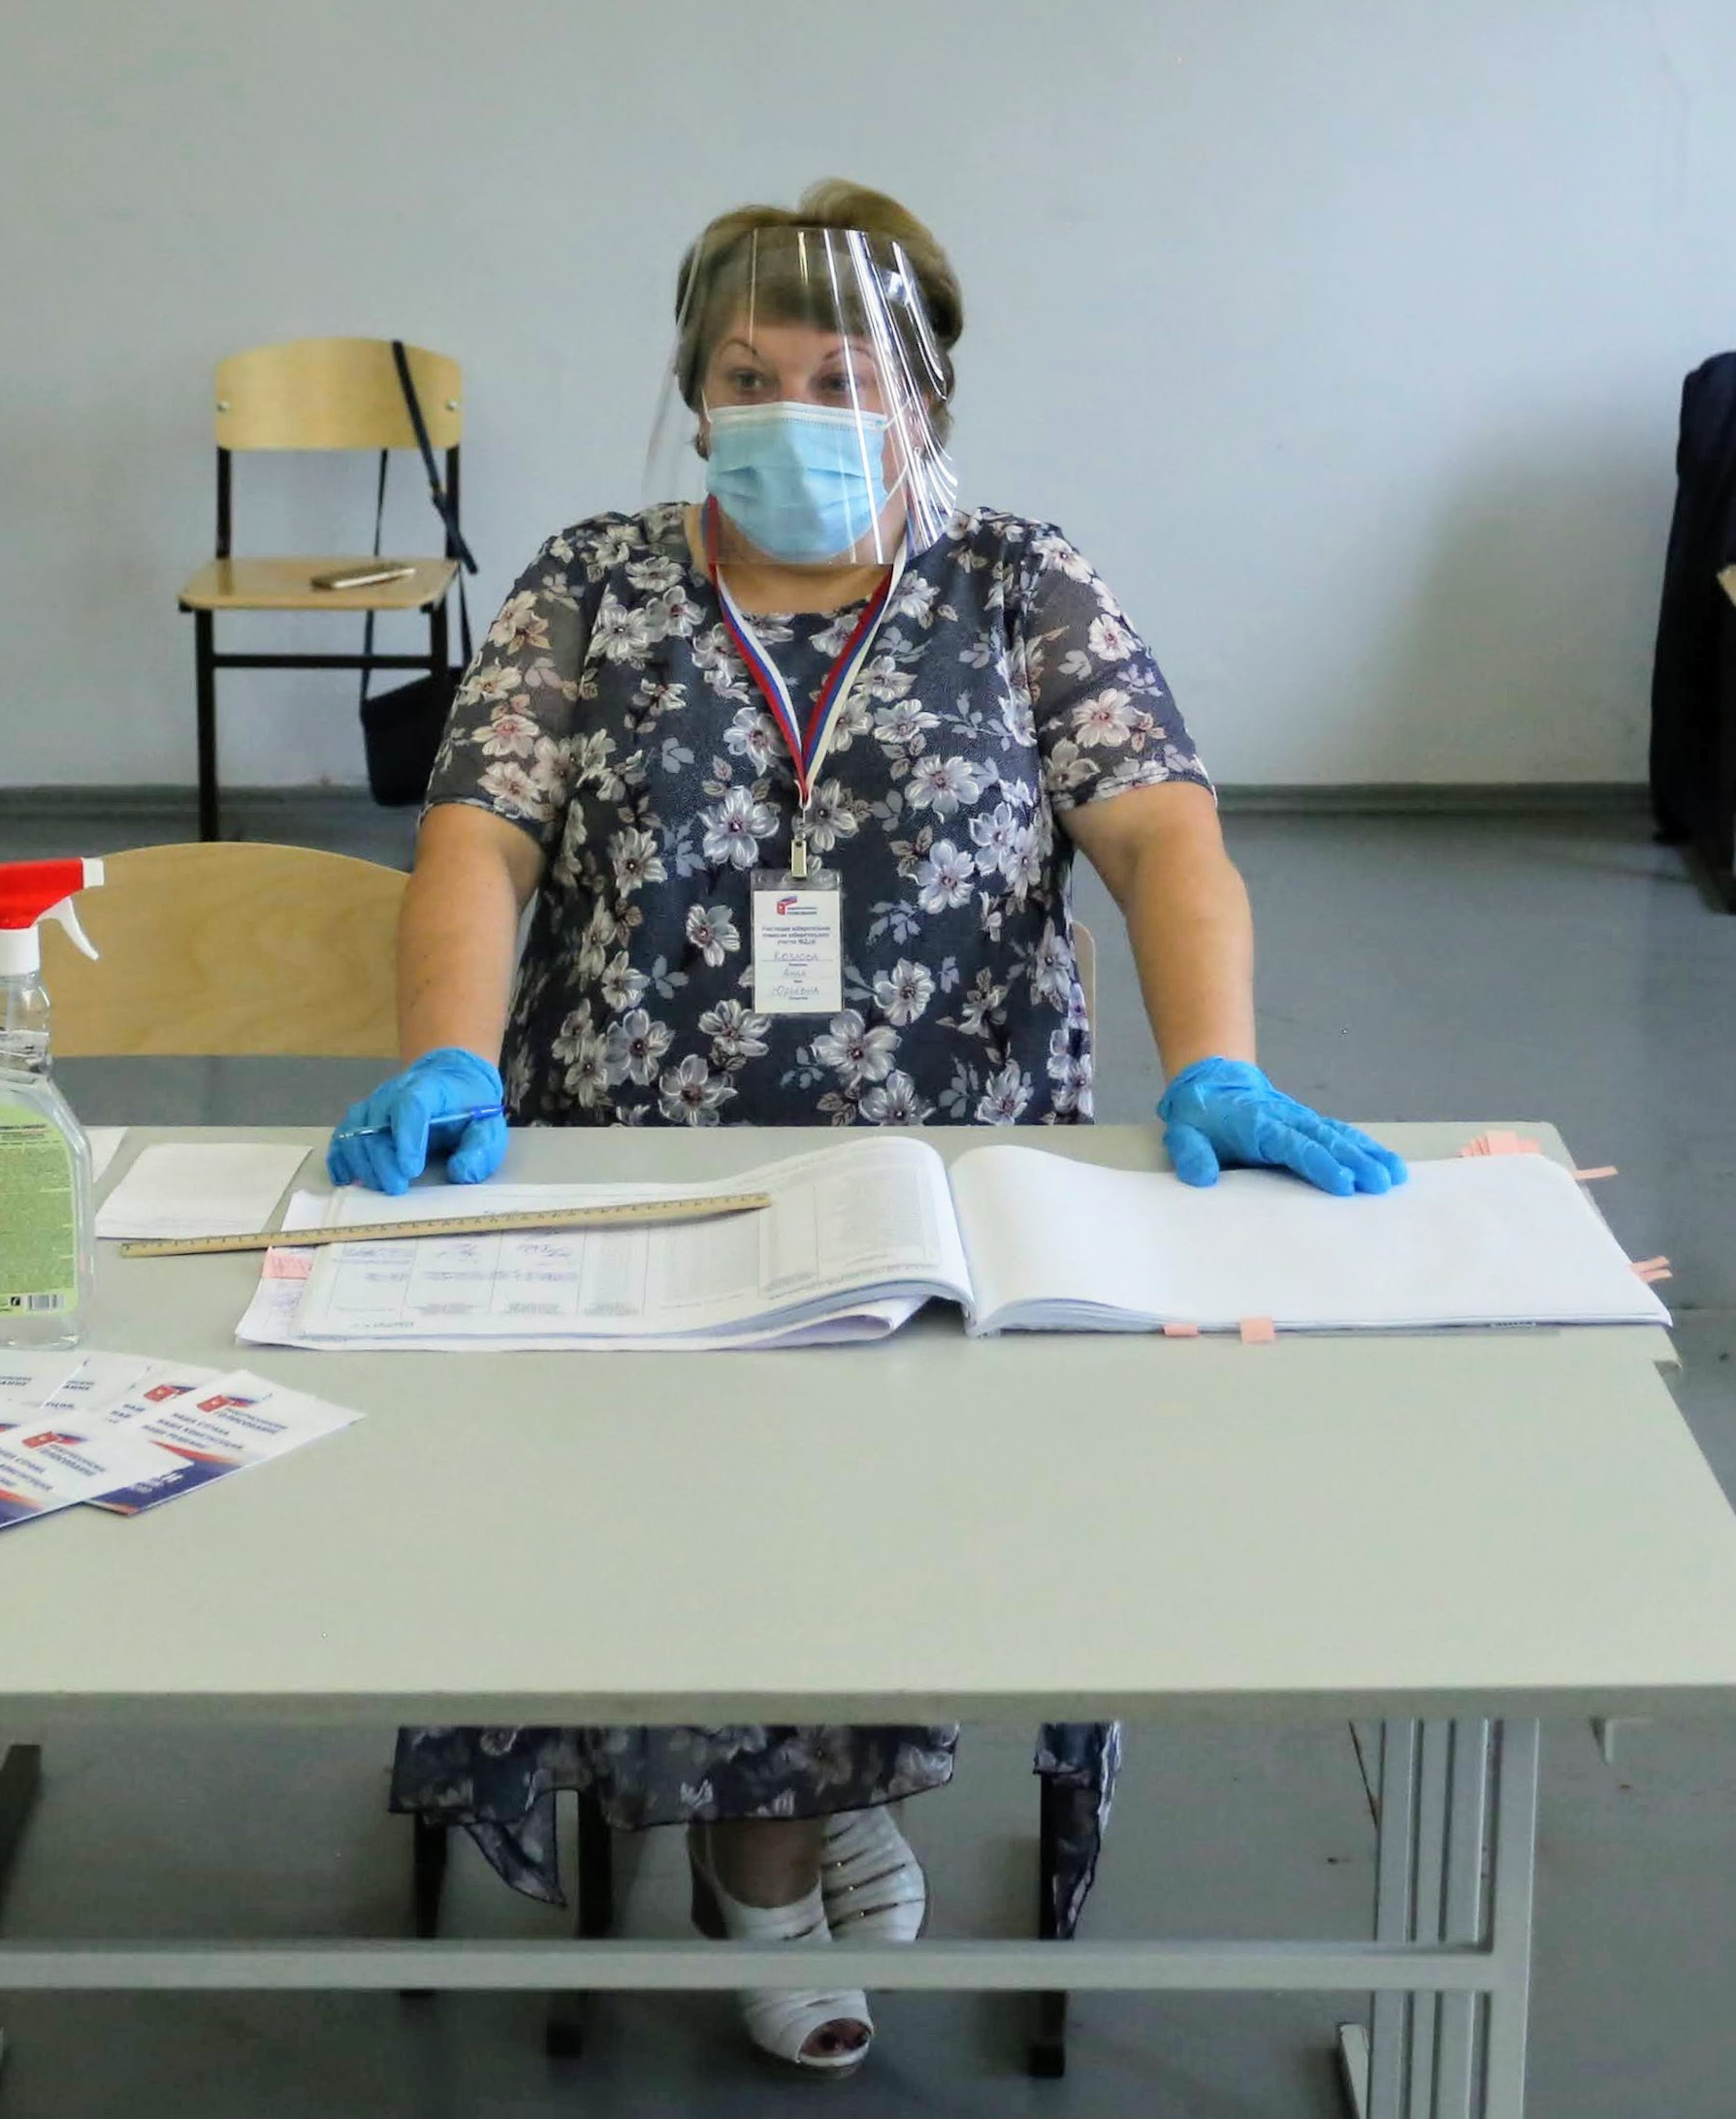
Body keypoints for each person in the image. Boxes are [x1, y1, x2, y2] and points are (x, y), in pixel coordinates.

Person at [338, 181, 1400, 2073]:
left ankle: (831, 1788)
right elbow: (478, 839)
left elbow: (1163, 831)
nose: (793, 415)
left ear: (925, 400)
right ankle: (756, 1867)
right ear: (689, 392)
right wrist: (449, 1056)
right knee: (716, 1494)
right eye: (749, 375)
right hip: (647, 1167)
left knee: (901, 1490)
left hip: (951, 1172)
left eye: (843, 380)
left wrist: (1216, 1062)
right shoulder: (592, 582)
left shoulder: (1015, 579)